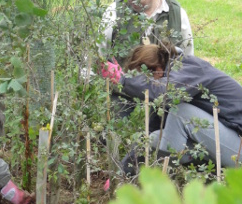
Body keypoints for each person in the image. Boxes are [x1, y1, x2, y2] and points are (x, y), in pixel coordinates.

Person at [103, 42, 242, 174]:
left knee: (182, 111)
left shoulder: (188, 69)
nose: (144, 85)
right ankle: (194, 178)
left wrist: (123, 81)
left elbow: (161, 91)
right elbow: (151, 129)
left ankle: (166, 181)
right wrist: (123, 172)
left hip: (238, 144)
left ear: (157, 70)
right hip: (228, 141)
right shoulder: (172, 78)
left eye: (144, 78)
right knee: (154, 138)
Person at [98, 0, 194, 67]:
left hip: (166, 83)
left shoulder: (177, 14)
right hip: (125, 83)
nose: (130, 0)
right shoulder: (114, 12)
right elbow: (98, 57)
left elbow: (188, 60)